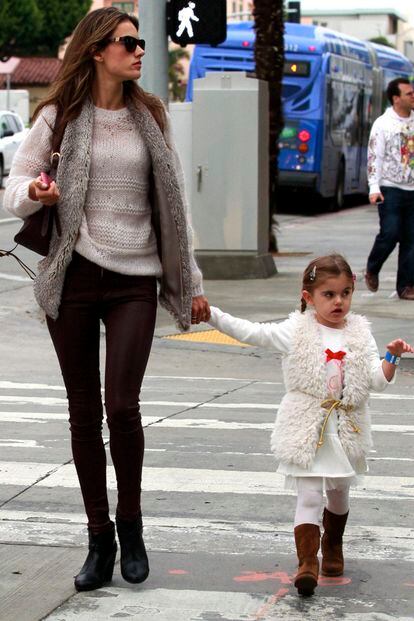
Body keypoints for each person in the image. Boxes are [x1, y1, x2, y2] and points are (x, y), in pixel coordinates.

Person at [3, 7, 210, 592]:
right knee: (82, 412)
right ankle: (99, 538)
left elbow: (174, 207)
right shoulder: (58, 116)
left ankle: (133, 524)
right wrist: (38, 191)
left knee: (122, 405)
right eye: (128, 42)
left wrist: (190, 281)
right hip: (73, 275)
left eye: (142, 43)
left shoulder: (150, 115)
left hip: (134, 280)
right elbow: (15, 187)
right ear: (98, 50)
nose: (139, 50)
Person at [205, 254, 413, 597]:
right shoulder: (296, 331)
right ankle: (307, 562)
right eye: (329, 295)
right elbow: (252, 332)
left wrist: (391, 358)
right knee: (310, 494)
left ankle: (332, 543)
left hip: (345, 428)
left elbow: (375, 380)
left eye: (345, 293)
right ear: (308, 297)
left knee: (339, 494)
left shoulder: (360, 333)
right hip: (307, 428)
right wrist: (212, 314)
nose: (339, 302)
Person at [365, 77, 414, 300]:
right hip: (390, 188)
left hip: (412, 189)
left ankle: (406, 286)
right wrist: (374, 187)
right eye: (409, 94)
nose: (413, 97)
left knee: (411, 239)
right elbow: (375, 156)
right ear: (396, 98)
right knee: (390, 233)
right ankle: (372, 268)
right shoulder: (382, 124)